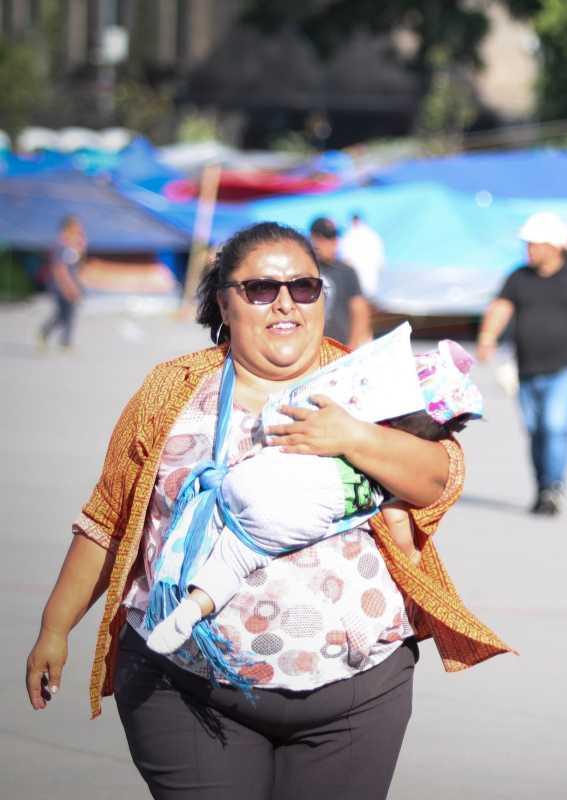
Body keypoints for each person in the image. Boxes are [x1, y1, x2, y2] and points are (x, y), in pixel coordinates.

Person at [26, 222, 511, 799]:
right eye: (260, 288)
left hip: (356, 694)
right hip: (186, 687)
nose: (285, 302)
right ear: (223, 302)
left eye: (304, 287)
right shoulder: (171, 390)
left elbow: (439, 478)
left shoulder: (367, 380)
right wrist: (55, 628)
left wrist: (354, 436)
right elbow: (109, 514)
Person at [144, 339, 485, 658]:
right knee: (234, 558)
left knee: (208, 524)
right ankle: (193, 605)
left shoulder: (346, 407)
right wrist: (410, 567)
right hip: (288, 514)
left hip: (251, 474)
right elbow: (399, 531)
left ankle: (171, 574)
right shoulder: (391, 461)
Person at [476, 211, 567, 516]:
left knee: (555, 426)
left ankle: (554, 486)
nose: (528, 249)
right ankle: (542, 486)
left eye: (534, 243)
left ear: (555, 245)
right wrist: (487, 337)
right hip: (526, 369)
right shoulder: (518, 277)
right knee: (535, 431)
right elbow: (501, 307)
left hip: (565, 369)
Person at [309, 216, 372, 349]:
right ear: (314, 238)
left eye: (334, 237)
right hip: (311, 348)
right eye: (327, 237)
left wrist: (352, 346)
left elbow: (359, 310)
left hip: (340, 347)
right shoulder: (306, 269)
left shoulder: (347, 271)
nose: (333, 242)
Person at [38, 215, 86, 351]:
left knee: (69, 313)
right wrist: (69, 287)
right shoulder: (61, 245)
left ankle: (66, 342)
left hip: (71, 283)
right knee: (62, 313)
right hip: (60, 285)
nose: (79, 229)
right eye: (76, 226)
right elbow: (60, 270)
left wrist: (81, 245)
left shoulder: (73, 245)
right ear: (69, 228)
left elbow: (77, 264)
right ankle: (45, 332)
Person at [337, 212, 386, 298]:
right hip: (369, 283)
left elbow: (344, 260)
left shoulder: (348, 236)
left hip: (357, 283)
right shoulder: (373, 235)